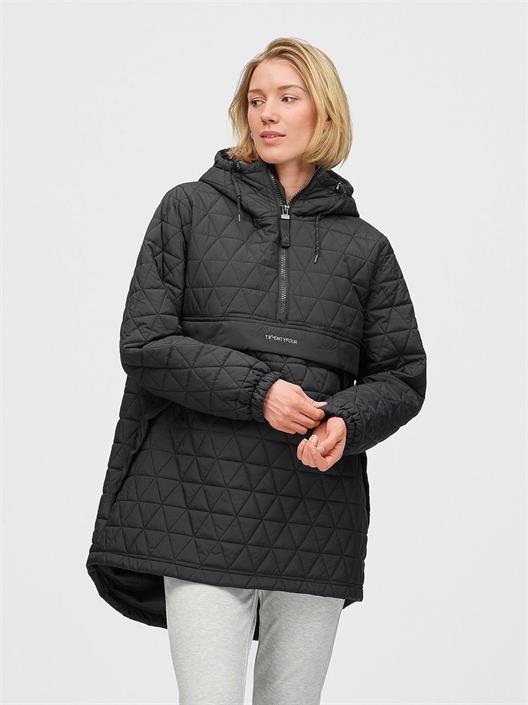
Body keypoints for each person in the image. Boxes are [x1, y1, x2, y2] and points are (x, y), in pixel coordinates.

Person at [86, 36, 427, 705]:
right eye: (256, 99)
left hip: (313, 516)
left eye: (287, 98)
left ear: (324, 112)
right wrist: (259, 390)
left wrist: (345, 421)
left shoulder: (366, 249)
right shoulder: (188, 209)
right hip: (197, 507)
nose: (267, 113)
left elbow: (402, 374)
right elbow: (145, 342)